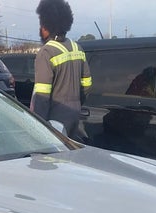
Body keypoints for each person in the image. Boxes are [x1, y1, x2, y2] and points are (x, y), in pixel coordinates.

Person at [31, 0, 92, 139]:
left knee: (52, 159)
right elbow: (87, 85)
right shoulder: (78, 48)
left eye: (41, 25)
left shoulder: (46, 52)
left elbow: (42, 96)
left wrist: (37, 126)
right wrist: (76, 102)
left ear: (46, 26)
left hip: (55, 121)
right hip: (76, 116)